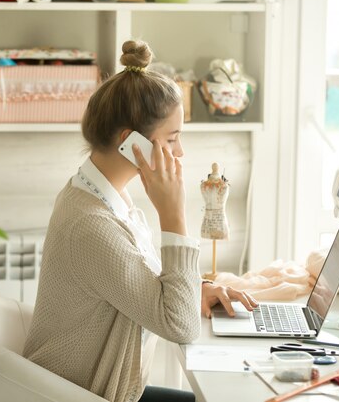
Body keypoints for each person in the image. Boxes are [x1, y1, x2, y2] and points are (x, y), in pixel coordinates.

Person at [23, 40, 258, 402]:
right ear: (131, 142)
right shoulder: (90, 223)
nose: (179, 152)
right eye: (173, 138)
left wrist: (198, 287)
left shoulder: (101, 194)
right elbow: (180, 325)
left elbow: (144, 282)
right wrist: (174, 214)